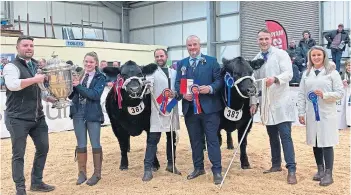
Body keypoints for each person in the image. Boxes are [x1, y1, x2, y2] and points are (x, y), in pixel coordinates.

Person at [3, 36, 56, 195]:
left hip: (37, 117)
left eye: (31, 45)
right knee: (18, 154)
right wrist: (34, 79)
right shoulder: (11, 66)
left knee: (43, 147)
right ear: (18, 48)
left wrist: (48, 97)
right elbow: (12, 85)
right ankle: (20, 188)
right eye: (25, 45)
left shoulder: (34, 64)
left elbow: (39, 86)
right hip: (17, 118)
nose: (29, 48)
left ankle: (37, 182)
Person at [175, 35, 223, 185]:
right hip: (190, 110)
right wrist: (184, 94)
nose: (192, 48)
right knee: (195, 141)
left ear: (199, 45)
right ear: (186, 47)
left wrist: (209, 88)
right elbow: (178, 83)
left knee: (212, 140)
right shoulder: (182, 64)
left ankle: (217, 170)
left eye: (194, 44)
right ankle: (198, 168)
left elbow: (219, 81)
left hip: (210, 109)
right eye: (189, 45)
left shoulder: (212, 61)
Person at [251, 28, 297, 184]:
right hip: (266, 104)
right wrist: (253, 102)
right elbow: (254, 83)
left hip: (281, 101)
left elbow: (289, 73)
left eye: (266, 39)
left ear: (270, 39)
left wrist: (275, 79)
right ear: (257, 41)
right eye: (261, 39)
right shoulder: (256, 58)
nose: (263, 42)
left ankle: (291, 169)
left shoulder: (281, 54)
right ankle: (276, 164)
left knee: (285, 136)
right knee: (272, 136)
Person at [297, 46, 344, 186]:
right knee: (316, 142)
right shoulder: (306, 74)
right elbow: (301, 94)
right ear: (310, 58)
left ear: (324, 56)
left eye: (319, 55)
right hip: (312, 114)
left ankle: (329, 174)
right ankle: (320, 169)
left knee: (327, 142)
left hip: (326, 113)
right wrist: (301, 112)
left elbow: (340, 93)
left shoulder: (332, 73)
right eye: (313, 55)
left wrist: (325, 95)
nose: (316, 57)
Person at [142, 48, 181, 181]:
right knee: (153, 139)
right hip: (158, 110)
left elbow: (179, 90)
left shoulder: (174, 72)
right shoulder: (151, 72)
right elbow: (149, 87)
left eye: (161, 56)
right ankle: (147, 168)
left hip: (172, 108)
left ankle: (171, 164)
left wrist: (175, 94)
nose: (159, 58)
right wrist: (147, 85)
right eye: (157, 56)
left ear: (166, 56)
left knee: (172, 138)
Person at [68, 51, 106, 186]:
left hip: (93, 113)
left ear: (96, 63)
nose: (88, 64)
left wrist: (77, 85)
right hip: (77, 111)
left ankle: (97, 173)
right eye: (86, 61)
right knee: (81, 143)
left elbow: (94, 95)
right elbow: (72, 96)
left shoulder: (101, 77)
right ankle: (82, 173)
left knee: (95, 143)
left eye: (91, 62)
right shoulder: (79, 75)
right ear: (83, 62)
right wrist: (69, 88)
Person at [339, 59, 351, 130]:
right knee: (346, 109)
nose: (350, 67)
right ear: (346, 66)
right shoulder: (343, 74)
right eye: (349, 65)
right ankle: (346, 123)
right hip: (345, 94)